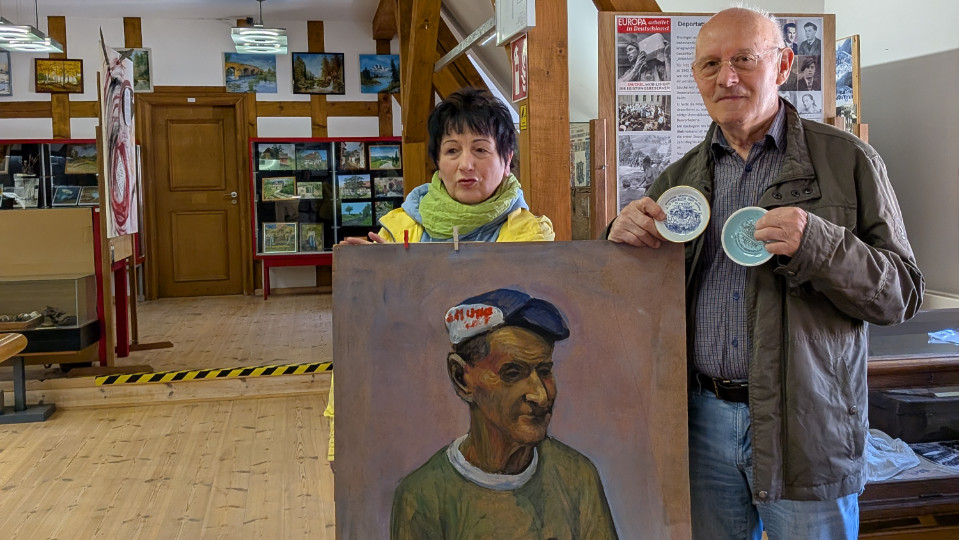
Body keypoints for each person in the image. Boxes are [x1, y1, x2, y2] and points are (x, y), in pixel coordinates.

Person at [607, 7, 923, 540]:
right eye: (710, 64)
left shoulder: (850, 161)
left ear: (783, 65)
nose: (726, 77)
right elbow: (636, 306)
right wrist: (618, 241)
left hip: (807, 428)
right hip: (699, 424)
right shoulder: (676, 180)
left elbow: (902, 294)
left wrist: (819, 245)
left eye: (744, 60)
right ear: (696, 76)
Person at [326, 87, 556, 467]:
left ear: (507, 160)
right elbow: (371, 337)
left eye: (480, 150)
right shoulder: (399, 230)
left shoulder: (531, 237)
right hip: (405, 401)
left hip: (494, 418)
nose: (466, 164)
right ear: (437, 161)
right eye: (452, 151)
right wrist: (368, 280)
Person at [390, 288, 618, 539]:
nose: (540, 396)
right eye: (512, 373)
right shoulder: (424, 497)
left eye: (544, 371)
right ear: (461, 378)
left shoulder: (577, 477)